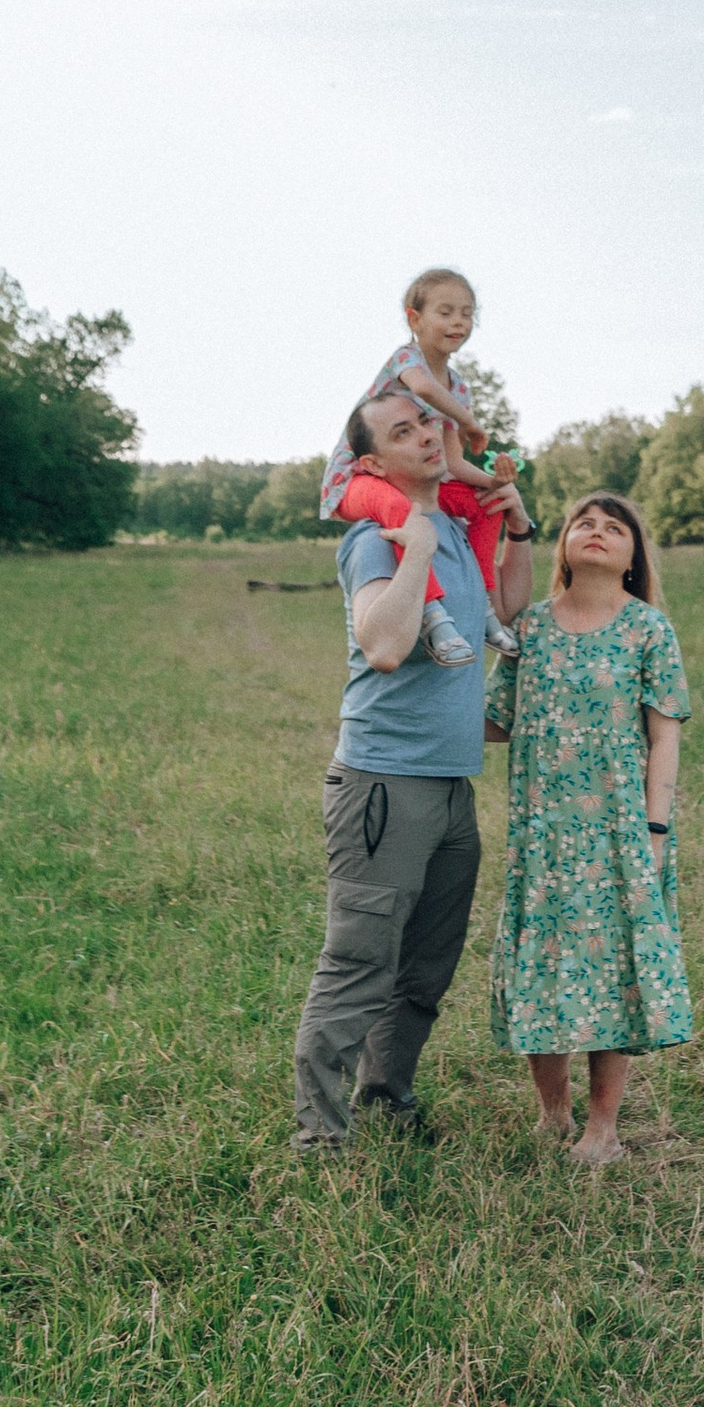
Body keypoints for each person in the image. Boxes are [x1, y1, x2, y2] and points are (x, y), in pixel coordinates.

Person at [292, 386, 535, 1152]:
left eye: (427, 420)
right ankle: (319, 1138)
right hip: (385, 786)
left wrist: (518, 527)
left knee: (427, 965)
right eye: (403, 431)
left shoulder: (455, 529)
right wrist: (417, 548)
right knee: (359, 963)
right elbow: (387, 645)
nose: (428, 434)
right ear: (372, 465)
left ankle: (386, 1094)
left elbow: (505, 608)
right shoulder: (376, 538)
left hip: (451, 785)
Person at [486, 491, 692, 1167]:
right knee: (542, 966)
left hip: (617, 833)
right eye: (584, 523)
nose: (597, 532)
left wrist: (655, 829)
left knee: (613, 972)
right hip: (542, 836)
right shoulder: (529, 628)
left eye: (614, 528)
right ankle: (554, 1113)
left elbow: (664, 736)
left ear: (633, 557)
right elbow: (495, 720)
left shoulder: (648, 630)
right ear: (565, 546)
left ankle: (603, 1129)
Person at [318, 267, 519, 669]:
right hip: (357, 480)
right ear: (414, 319)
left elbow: (454, 462)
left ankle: (483, 606)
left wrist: (495, 482)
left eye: (467, 314)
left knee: (486, 504)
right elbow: (424, 387)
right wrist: (470, 422)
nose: (458, 322)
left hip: (410, 481)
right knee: (403, 511)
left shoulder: (458, 387)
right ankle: (433, 617)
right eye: (445, 312)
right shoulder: (405, 359)